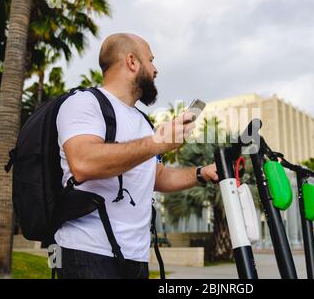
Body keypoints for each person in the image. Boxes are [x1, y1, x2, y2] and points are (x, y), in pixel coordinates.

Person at [55, 33, 219, 279]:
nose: (156, 69)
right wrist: (158, 143)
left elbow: (156, 177)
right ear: (132, 62)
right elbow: (83, 162)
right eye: (151, 60)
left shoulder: (143, 122)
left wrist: (202, 173)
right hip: (87, 252)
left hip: (136, 256)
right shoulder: (84, 103)